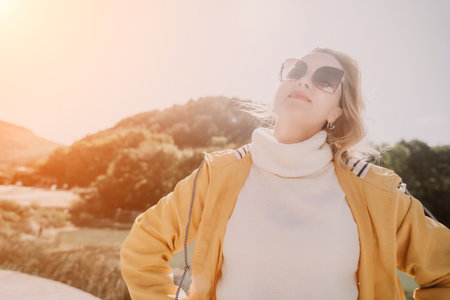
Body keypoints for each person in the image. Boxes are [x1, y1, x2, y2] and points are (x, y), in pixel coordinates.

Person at [120, 47, 450, 300]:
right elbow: (144, 245)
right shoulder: (217, 176)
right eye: (297, 70)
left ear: (337, 111)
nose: (304, 80)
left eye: (325, 79)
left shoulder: (379, 193)